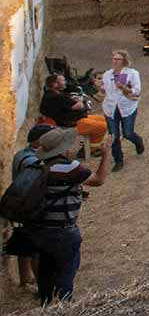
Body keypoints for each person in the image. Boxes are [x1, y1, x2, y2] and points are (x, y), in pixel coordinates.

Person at [26, 125, 111, 304]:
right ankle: (65, 308)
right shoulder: (67, 168)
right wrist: (105, 155)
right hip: (62, 231)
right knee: (66, 270)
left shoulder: (38, 165)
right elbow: (98, 179)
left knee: (47, 273)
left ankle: (47, 305)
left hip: (40, 229)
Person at [100, 50, 143, 173]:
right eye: (113, 58)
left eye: (117, 59)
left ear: (124, 61)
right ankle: (119, 160)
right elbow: (104, 90)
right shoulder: (107, 74)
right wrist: (99, 86)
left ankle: (138, 141)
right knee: (113, 136)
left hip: (127, 106)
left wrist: (124, 88)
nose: (114, 61)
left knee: (128, 133)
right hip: (110, 108)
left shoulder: (132, 73)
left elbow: (136, 90)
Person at [38, 74, 107, 145]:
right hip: (70, 124)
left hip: (73, 119)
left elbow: (67, 103)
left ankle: (90, 144)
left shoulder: (52, 94)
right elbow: (79, 106)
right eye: (62, 80)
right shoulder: (56, 97)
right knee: (102, 127)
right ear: (54, 84)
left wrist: (74, 100)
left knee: (104, 119)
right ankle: (91, 148)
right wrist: (80, 101)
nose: (65, 82)